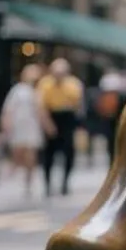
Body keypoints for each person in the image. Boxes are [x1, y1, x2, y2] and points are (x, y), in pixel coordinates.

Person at [0, 63, 52, 197]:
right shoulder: (18, 90)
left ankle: (28, 182)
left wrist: (47, 126)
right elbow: (8, 109)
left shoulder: (38, 91)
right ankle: (10, 176)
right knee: (17, 152)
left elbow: (41, 111)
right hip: (19, 125)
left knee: (31, 154)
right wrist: (6, 123)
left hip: (32, 126)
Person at [37, 57, 85, 196]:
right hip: (52, 116)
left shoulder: (74, 84)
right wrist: (47, 124)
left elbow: (79, 106)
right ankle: (47, 184)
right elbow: (41, 106)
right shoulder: (45, 84)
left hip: (68, 119)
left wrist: (79, 125)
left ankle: (65, 183)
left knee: (69, 153)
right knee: (48, 154)